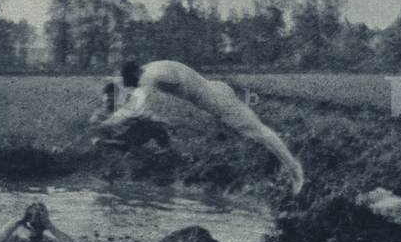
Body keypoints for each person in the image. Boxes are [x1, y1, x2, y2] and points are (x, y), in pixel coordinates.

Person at [100, 60, 305, 194]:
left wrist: (106, 123)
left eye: (134, 82)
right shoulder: (151, 67)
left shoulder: (148, 78)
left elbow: (134, 108)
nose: (136, 85)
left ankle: (295, 171)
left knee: (260, 133)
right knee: (254, 133)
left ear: (137, 75)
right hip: (215, 89)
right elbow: (130, 83)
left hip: (218, 103)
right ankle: (285, 168)